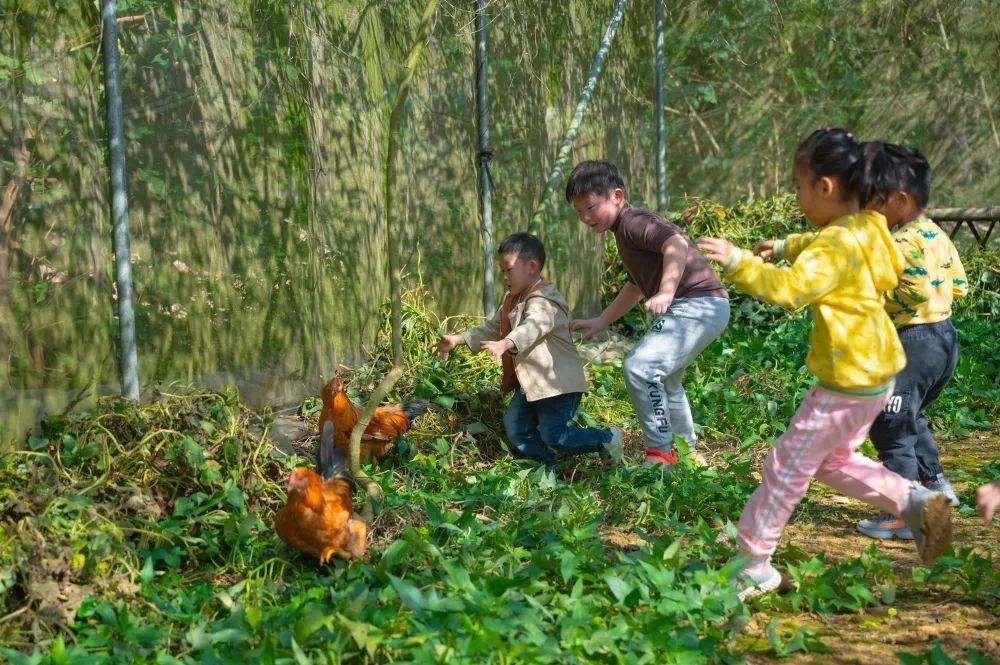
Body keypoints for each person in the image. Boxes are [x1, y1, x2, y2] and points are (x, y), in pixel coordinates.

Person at [697, 128, 953, 600]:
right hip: (876, 374)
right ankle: (915, 503)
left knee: (786, 463)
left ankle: (753, 561)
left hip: (846, 380)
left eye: (798, 186)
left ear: (826, 187)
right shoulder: (871, 227)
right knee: (833, 460)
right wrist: (788, 245)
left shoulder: (836, 245)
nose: (796, 195)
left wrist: (737, 261)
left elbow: (790, 289)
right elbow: (831, 245)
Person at [566, 160, 729, 468]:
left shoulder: (632, 221)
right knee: (667, 381)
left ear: (616, 195)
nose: (585, 218)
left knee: (640, 367)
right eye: (578, 211)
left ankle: (660, 453)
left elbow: (676, 243)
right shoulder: (623, 231)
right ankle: (687, 453)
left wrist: (667, 290)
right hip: (707, 305)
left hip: (697, 303)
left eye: (590, 207)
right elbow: (635, 287)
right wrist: (601, 320)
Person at [436, 232, 623, 469]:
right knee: (515, 426)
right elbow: (492, 328)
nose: (504, 276)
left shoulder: (545, 300)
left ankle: (607, 438)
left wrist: (505, 343)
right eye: (502, 271)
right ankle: (546, 467)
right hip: (533, 386)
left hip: (557, 385)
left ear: (532, 267)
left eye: (509, 270)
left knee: (553, 435)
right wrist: (458, 339)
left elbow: (532, 327)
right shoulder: (513, 300)